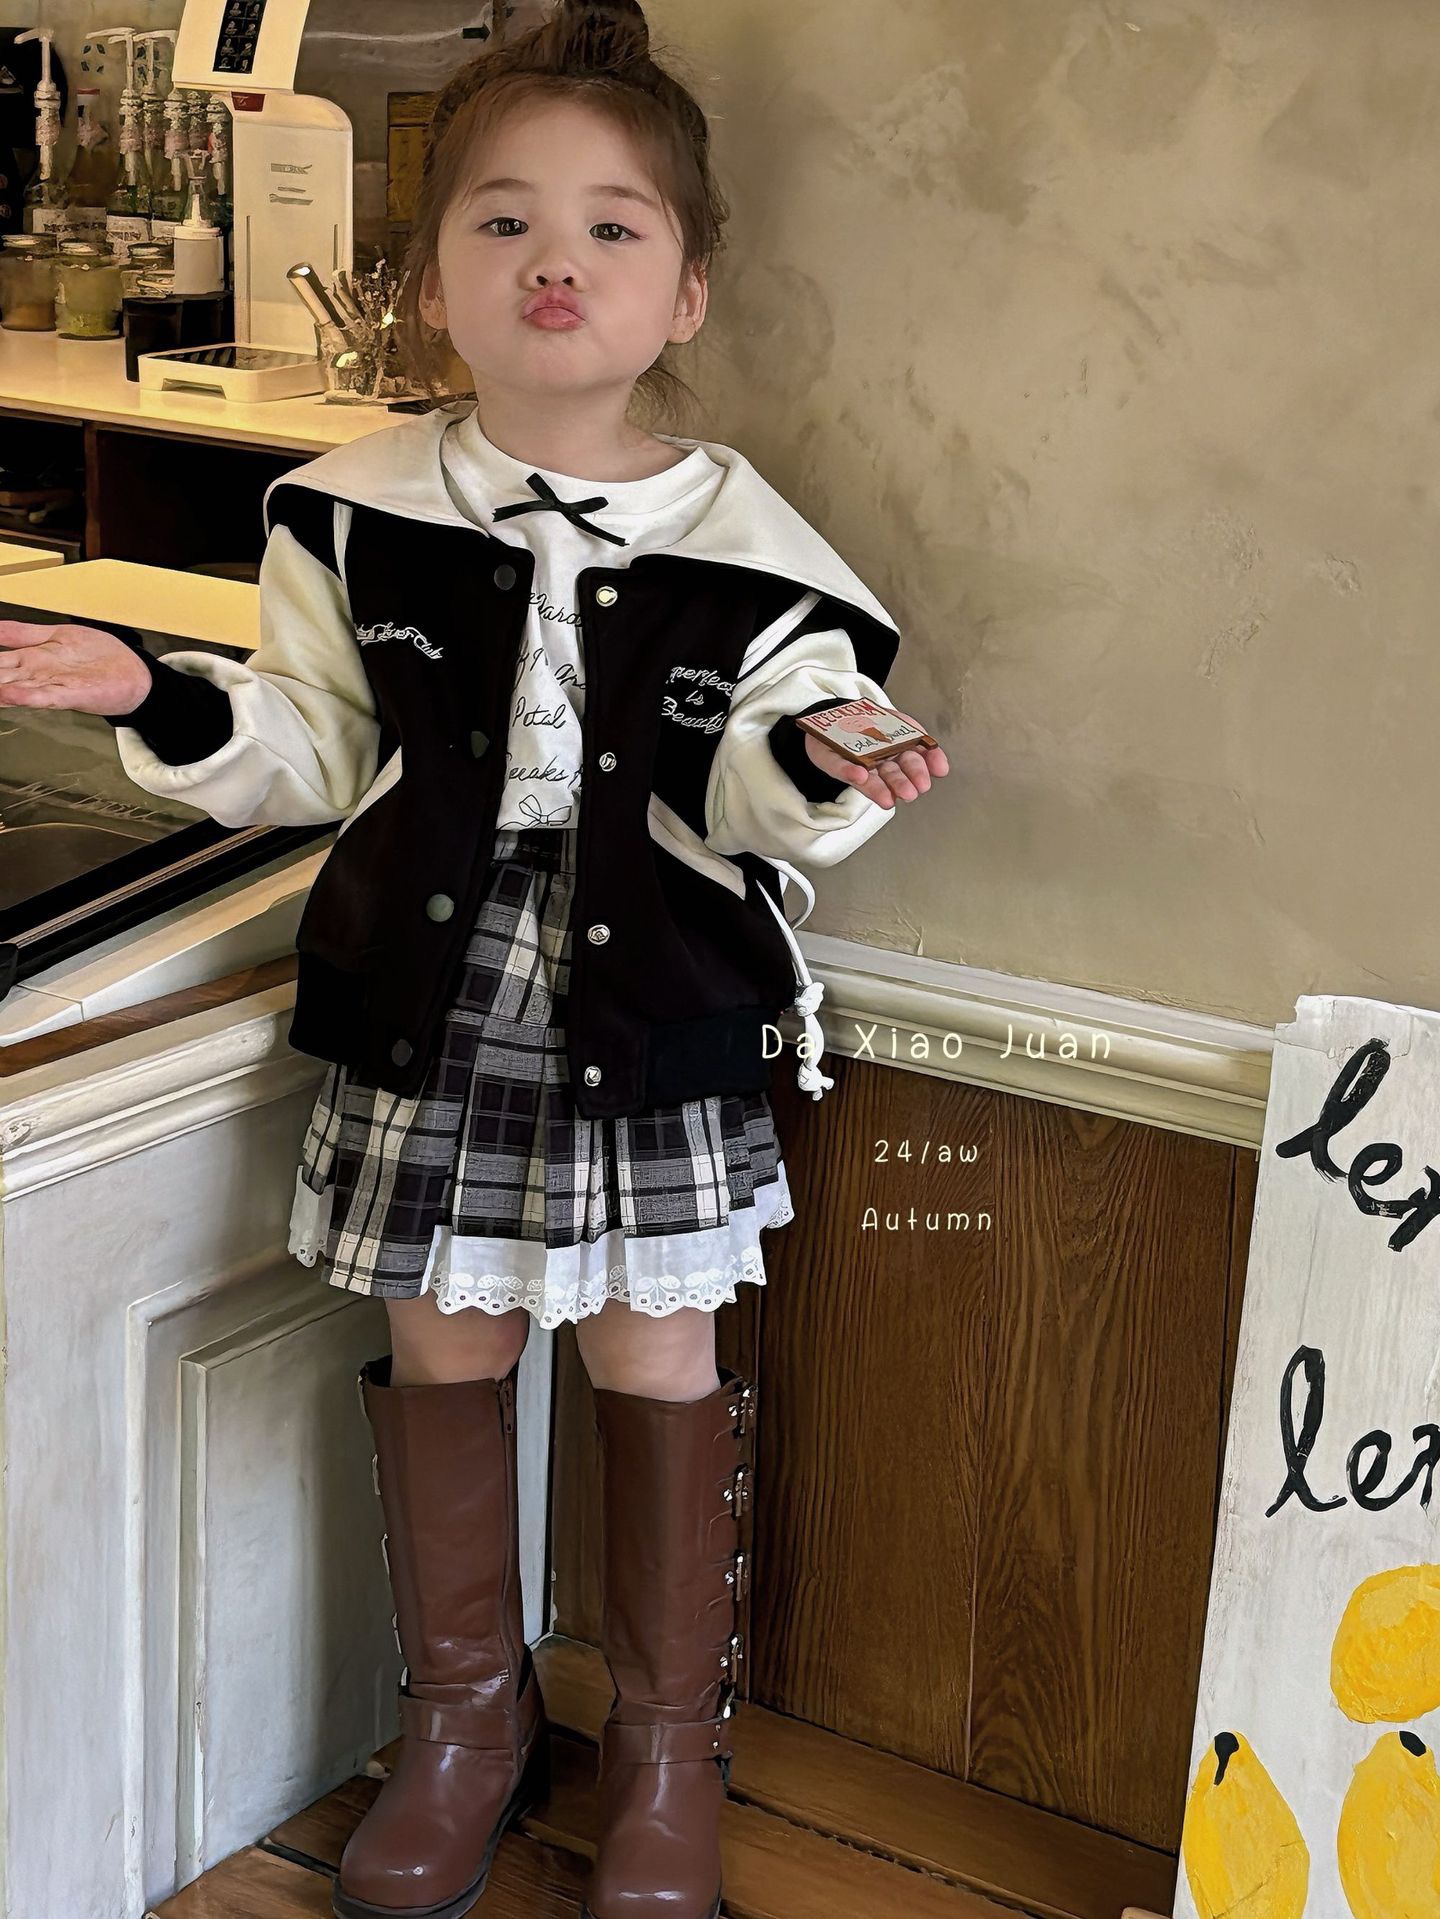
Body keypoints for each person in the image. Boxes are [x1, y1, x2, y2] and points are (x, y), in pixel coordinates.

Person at [0, 4, 947, 1915]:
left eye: (611, 226)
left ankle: (667, 1756)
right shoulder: (347, 512)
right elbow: (310, 749)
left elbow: (762, 778)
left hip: (653, 1001)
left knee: (657, 1354)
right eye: (501, 222)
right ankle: (466, 1726)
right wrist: (153, 691)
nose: (553, 261)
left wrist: (824, 766)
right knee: (445, 1337)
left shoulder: (762, 553)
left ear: (687, 288)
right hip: (431, 999)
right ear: (429, 282)